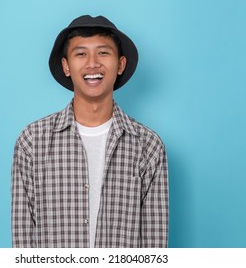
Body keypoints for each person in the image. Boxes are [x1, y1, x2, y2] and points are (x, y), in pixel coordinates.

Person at [11, 15, 168, 248]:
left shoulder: (148, 145)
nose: (92, 63)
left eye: (103, 53)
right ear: (66, 66)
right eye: (81, 54)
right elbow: (23, 240)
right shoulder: (32, 141)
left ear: (120, 64)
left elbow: (155, 245)